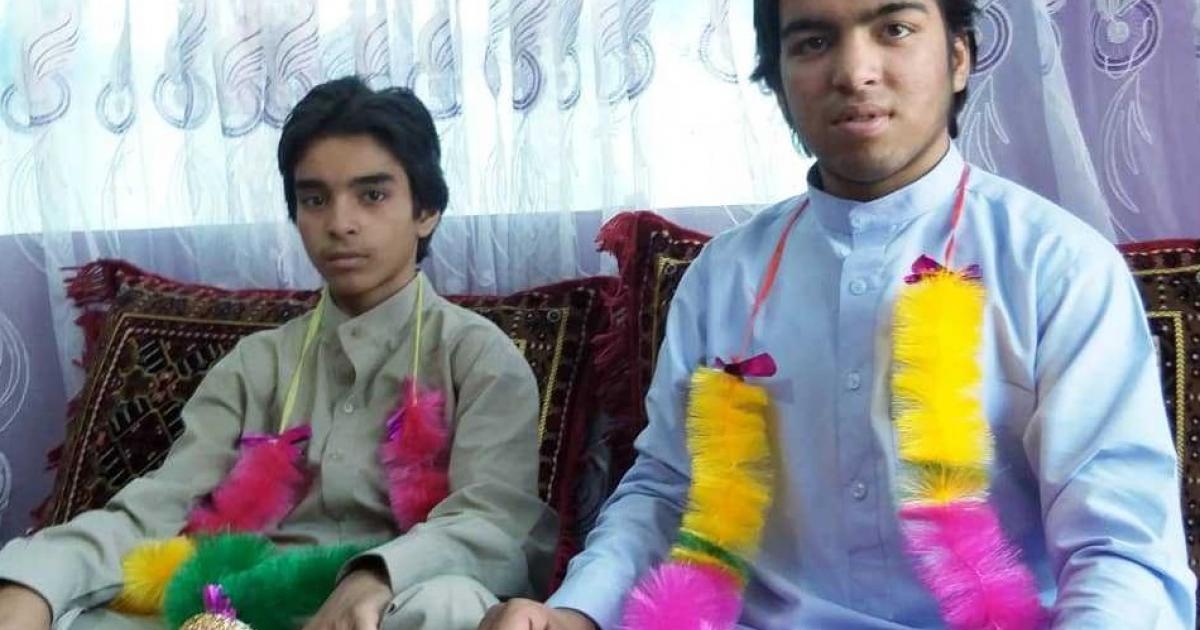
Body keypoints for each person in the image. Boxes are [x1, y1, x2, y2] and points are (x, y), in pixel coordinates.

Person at [480, 0, 1196, 628]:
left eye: (894, 28)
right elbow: (668, 492)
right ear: (777, 80)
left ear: (957, 58)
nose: (855, 72)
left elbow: (1118, 546)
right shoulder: (724, 278)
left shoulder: (1058, 266)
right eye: (814, 42)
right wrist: (576, 612)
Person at [0, 76, 555, 630]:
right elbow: (160, 508)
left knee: (453, 606)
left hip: (391, 608)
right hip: (243, 610)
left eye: (372, 195)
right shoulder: (255, 365)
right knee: (82, 615)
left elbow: (494, 525)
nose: (340, 223)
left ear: (426, 209)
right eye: (315, 199)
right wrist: (34, 583)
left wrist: (377, 576)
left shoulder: (478, 359)